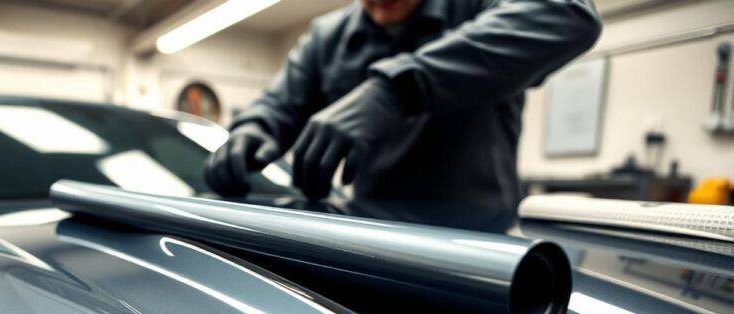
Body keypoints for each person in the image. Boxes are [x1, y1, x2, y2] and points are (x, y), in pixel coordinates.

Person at [203, 0, 602, 206]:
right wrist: (252, 129)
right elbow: (276, 106)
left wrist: (398, 90)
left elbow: (570, 14)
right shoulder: (326, 37)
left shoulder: (477, 5)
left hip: (479, 243)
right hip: (371, 241)